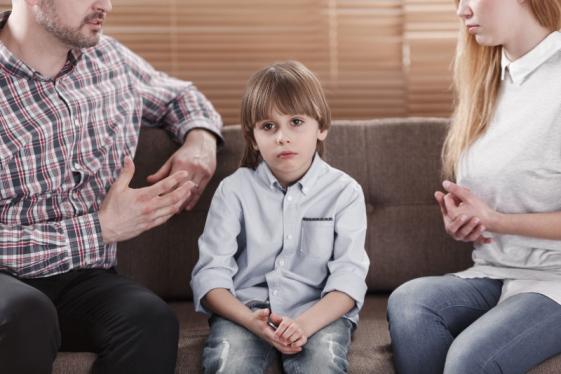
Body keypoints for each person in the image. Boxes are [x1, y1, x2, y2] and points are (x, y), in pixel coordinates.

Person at [0, 0, 222, 373]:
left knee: (150, 319)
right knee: (26, 315)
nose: (106, 5)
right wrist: (99, 229)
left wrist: (201, 142)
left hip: (82, 280)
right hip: (7, 286)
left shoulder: (110, 61)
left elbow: (180, 97)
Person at [387, 0, 561, 373]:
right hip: (496, 271)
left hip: (556, 281)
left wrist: (496, 220)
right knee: (410, 302)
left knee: (470, 359)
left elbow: (499, 215)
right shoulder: (489, 79)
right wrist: (467, 221)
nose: (461, 10)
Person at [190, 61, 369, 373]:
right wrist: (251, 321)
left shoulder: (344, 192)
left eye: (296, 122)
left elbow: (349, 278)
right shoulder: (234, 190)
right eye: (268, 126)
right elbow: (210, 275)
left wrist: (303, 324)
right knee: (229, 364)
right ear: (252, 137)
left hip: (318, 312)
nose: (282, 137)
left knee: (322, 364)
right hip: (245, 312)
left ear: (321, 127)